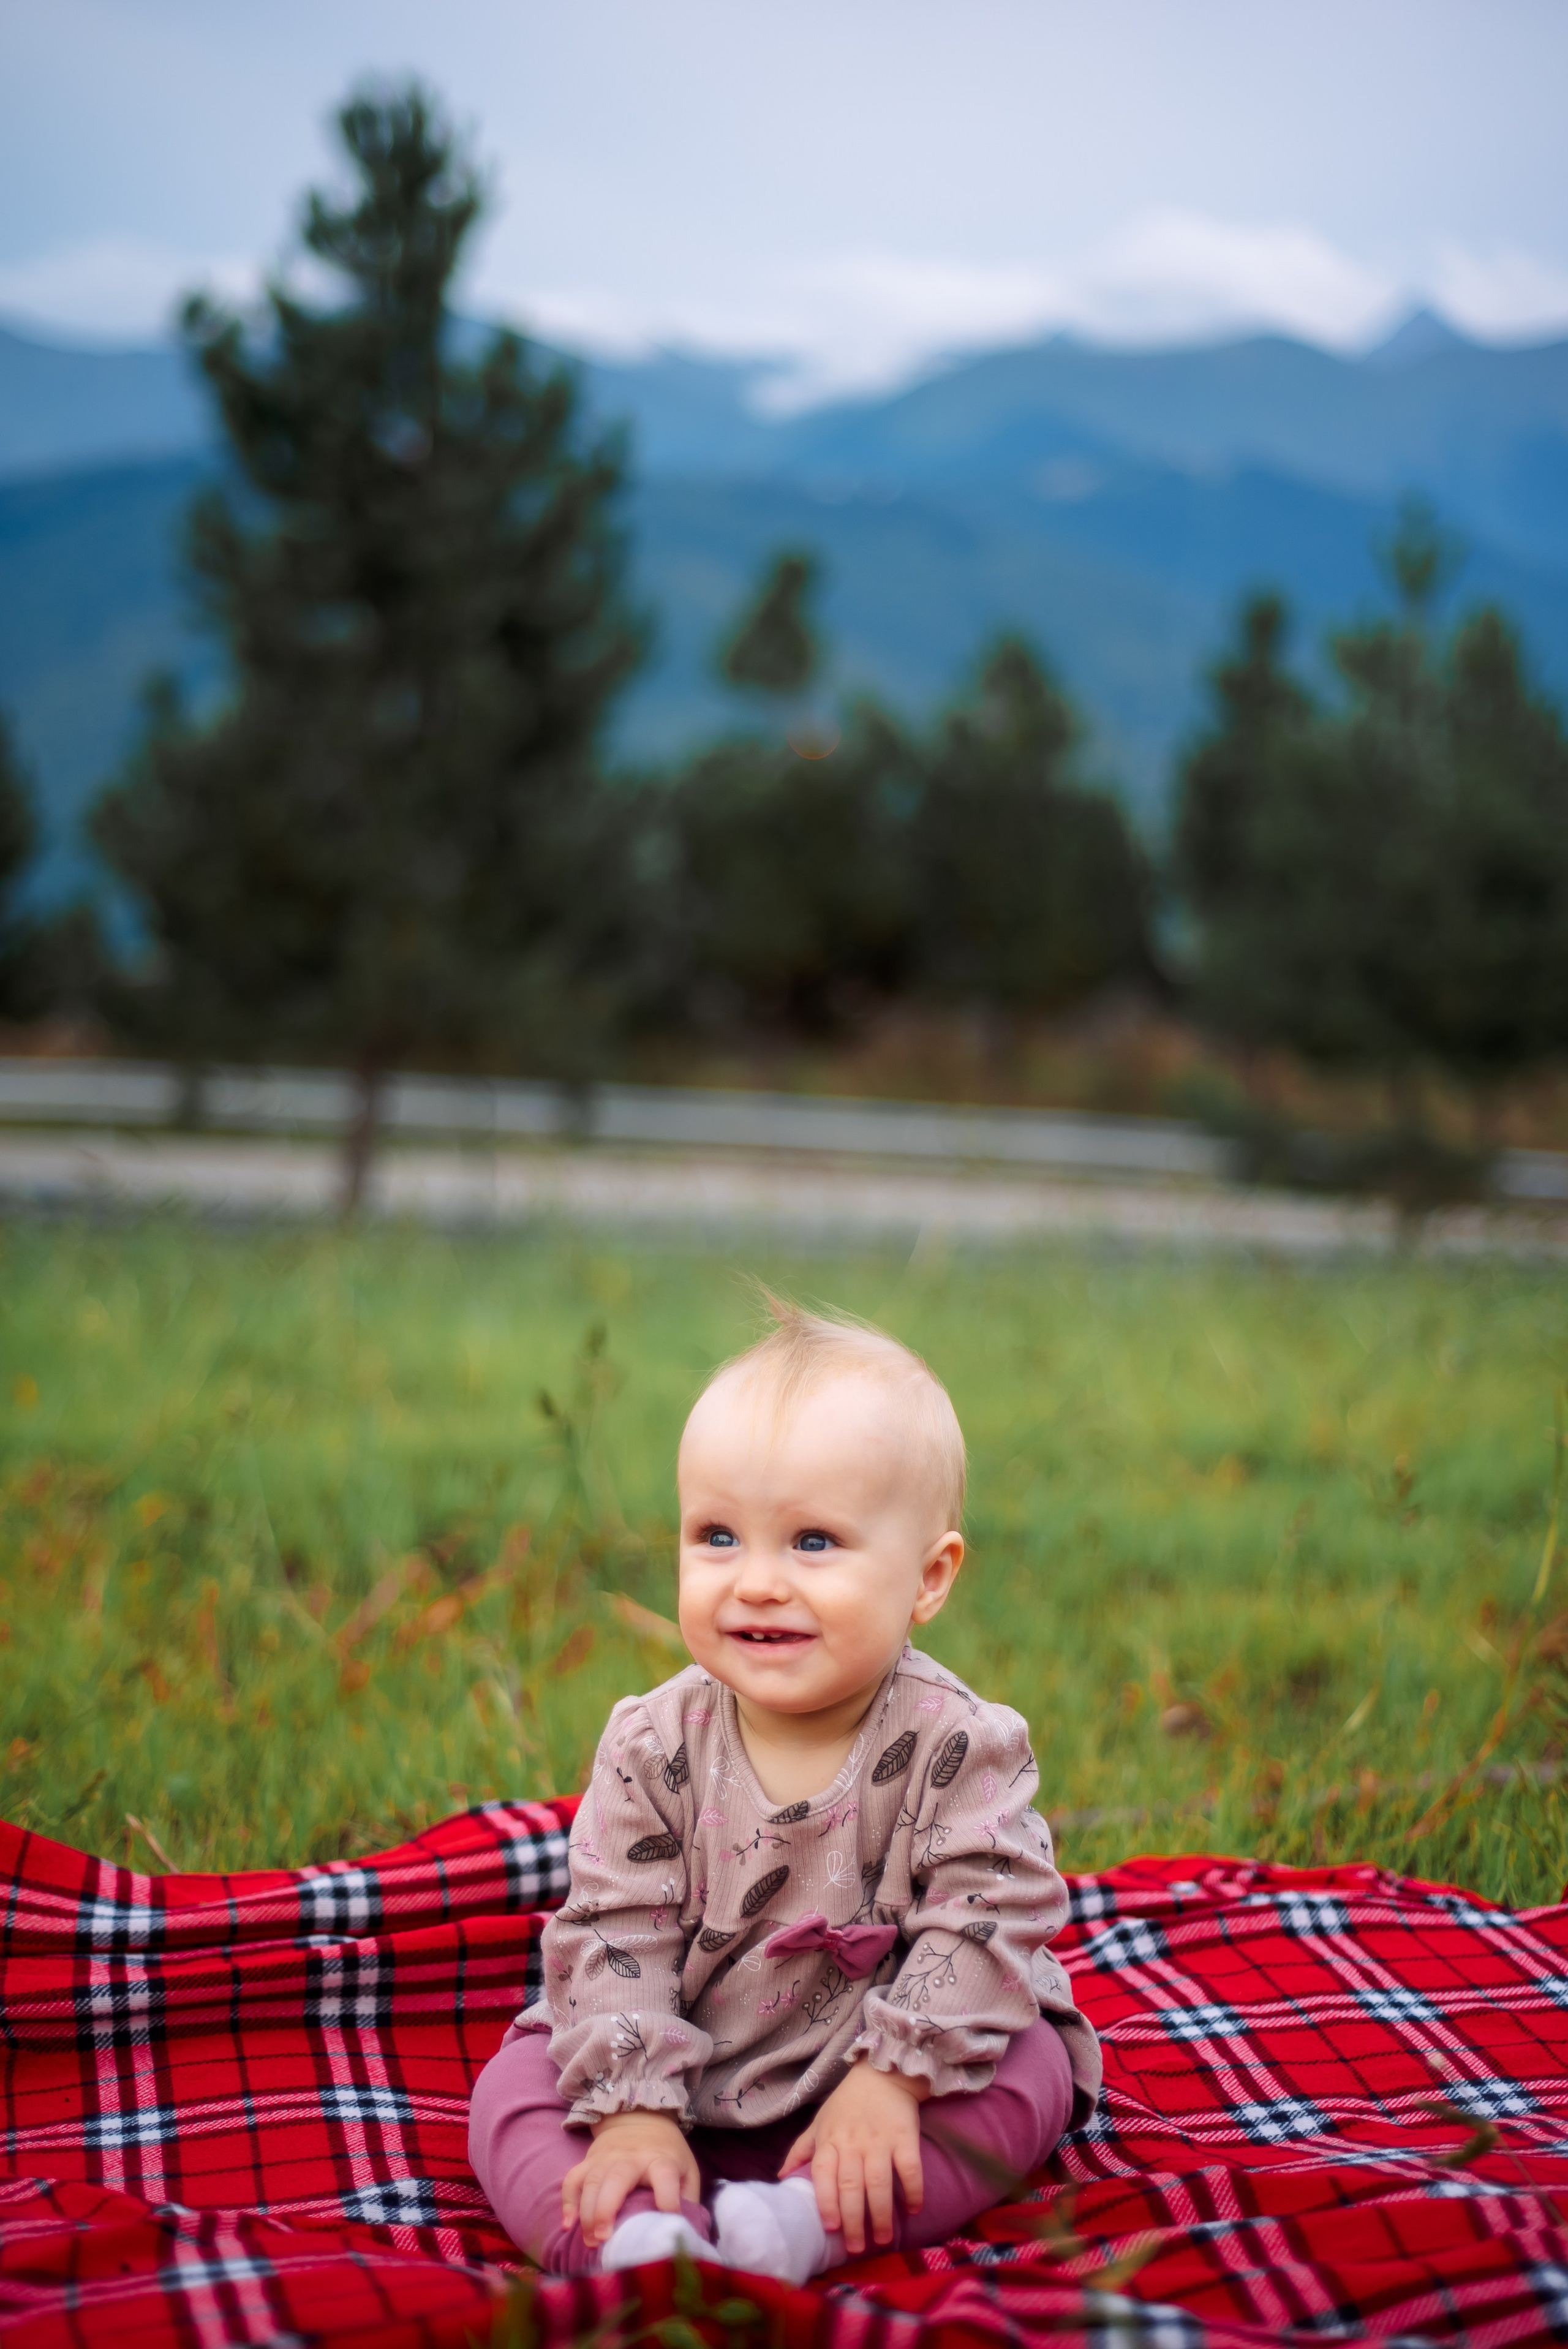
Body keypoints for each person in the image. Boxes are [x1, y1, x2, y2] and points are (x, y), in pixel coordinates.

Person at [469, 1299, 1099, 2283]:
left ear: (928, 1578)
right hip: (686, 2029)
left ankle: (809, 2223)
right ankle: (629, 2238)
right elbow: (615, 1929)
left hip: (892, 2041)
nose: (757, 1582)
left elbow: (988, 1916)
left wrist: (893, 2077)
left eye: (812, 1542)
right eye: (718, 1536)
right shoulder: (653, 1744)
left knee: (1033, 2069)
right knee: (512, 2088)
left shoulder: (959, 1742)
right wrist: (632, 2107)